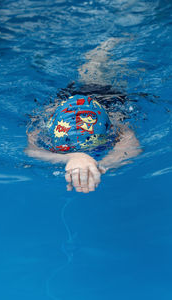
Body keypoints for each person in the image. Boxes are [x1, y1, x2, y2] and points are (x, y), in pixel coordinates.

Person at [25, 38, 142, 193]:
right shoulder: (45, 131)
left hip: (107, 102)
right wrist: (73, 157)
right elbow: (31, 150)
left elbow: (132, 147)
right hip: (68, 105)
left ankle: (104, 48)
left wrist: (98, 165)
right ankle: (101, 52)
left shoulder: (116, 128)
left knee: (96, 72)